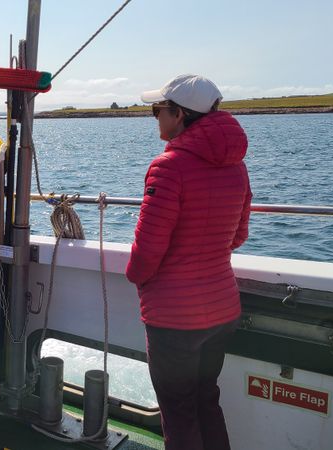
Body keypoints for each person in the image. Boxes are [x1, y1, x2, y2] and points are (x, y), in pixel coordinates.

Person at [125, 74, 252, 450]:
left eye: (157, 111)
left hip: (175, 319)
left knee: (178, 413)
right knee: (205, 401)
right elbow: (238, 235)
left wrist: (137, 278)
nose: (155, 118)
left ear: (179, 115)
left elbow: (148, 251)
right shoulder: (237, 166)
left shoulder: (168, 167)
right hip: (222, 311)